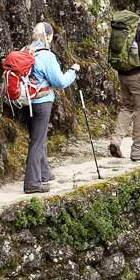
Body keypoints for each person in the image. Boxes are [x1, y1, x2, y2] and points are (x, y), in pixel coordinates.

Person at [23, 22, 80, 194]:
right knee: (37, 141)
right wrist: (73, 71)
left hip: (25, 101)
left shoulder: (25, 50)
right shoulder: (46, 55)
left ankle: (44, 172)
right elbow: (60, 82)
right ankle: (32, 183)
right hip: (42, 101)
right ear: (47, 36)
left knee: (37, 137)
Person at [108, 4, 140, 161]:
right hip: (138, 76)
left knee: (127, 107)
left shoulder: (124, 26)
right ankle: (137, 151)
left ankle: (116, 140)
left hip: (122, 74)